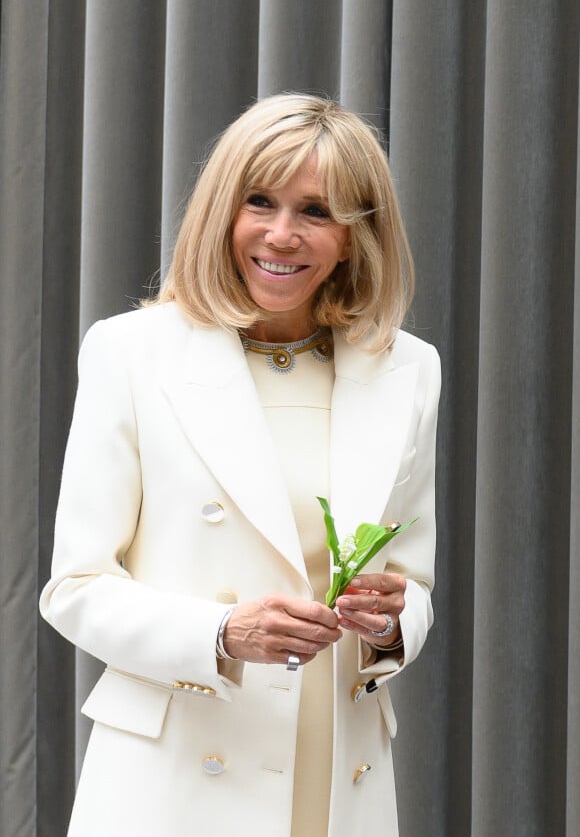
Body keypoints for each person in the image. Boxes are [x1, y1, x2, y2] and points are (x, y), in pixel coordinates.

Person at [40, 93, 440, 837]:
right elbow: (76, 587)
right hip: (179, 775)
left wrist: (387, 626)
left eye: (316, 212)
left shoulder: (408, 372)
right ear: (223, 212)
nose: (281, 235)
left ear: (355, 237)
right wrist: (222, 632)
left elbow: (412, 583)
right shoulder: (132, 353)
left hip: (337, 771)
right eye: (260, 202)